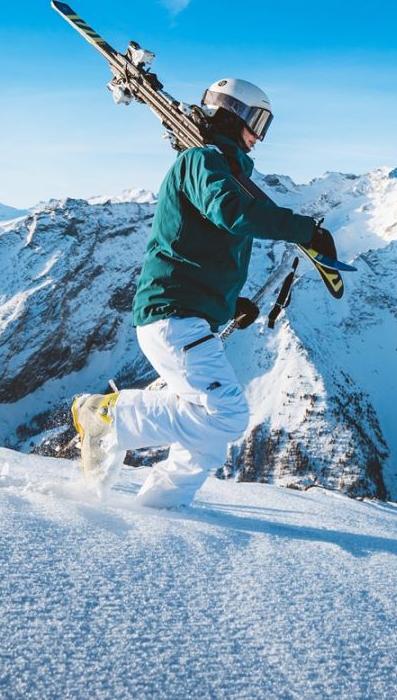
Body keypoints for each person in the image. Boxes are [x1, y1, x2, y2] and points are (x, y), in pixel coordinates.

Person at [71, 76, 338, 508]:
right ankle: (108, 416)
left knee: (208, 438)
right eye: (257, 123)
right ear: (232, 116)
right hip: (173, 315)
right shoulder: (202, 161)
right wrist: (304, 230)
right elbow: (231, 212)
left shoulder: (218, 169)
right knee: (225, 415)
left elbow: (199, 248)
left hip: (187, 314)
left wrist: (230, 304)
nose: (258, 137)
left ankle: (159, 509)